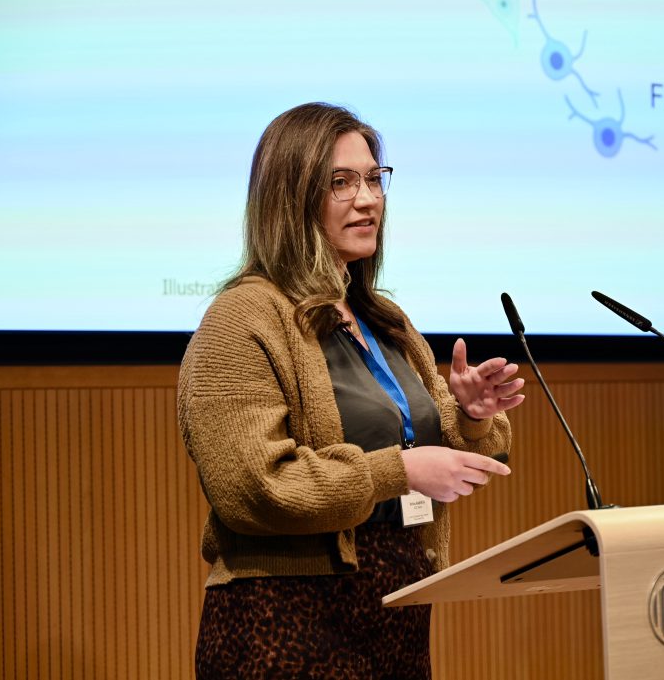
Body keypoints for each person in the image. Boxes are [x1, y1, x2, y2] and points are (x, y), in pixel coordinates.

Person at [177, 102, 523, 679]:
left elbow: (443, 445)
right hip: (284, 630)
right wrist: (400, 472)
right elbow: (255, 487)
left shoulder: (382, 317)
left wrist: (472, 416)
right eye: (341, 182)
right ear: (291, 196)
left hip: (394, 620)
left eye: (373, 178)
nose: (367, 199)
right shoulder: (242, 319)